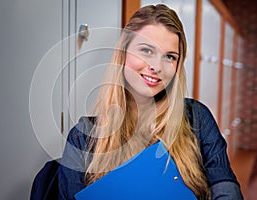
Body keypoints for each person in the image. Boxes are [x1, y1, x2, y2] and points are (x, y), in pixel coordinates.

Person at [57, 4, 243, 200]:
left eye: (170, 57)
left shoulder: (197, 118)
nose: (156, 66)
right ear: (123, 53)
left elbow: (225, 184)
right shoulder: (82, 138)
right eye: (146, 50)